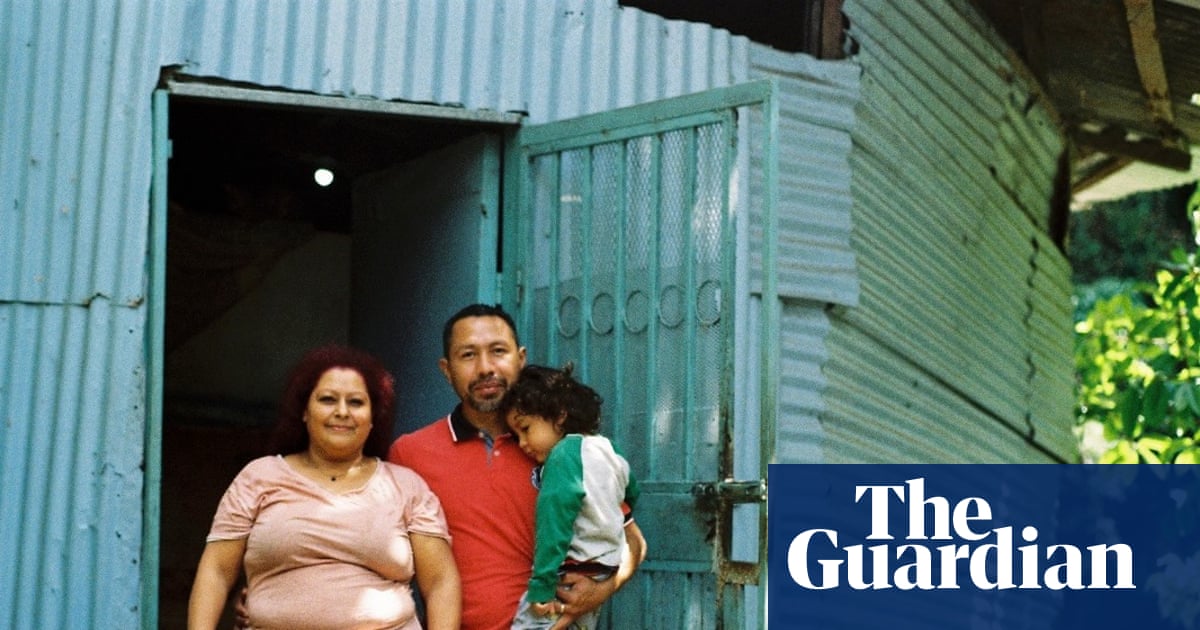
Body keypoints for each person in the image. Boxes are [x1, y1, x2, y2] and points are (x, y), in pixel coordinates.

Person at [388, 304, 646, 630]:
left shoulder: (560, 449)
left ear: (520, 359)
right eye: (468, 355)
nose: (485, 368)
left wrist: (603, 588)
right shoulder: (410, 454)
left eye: (498, 351)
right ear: (446, 369)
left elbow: (633, 540)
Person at [189, 344, 461, 630]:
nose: (342, 412)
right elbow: (216, 572)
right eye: (328, 399)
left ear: (373, 417)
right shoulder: (259, 478)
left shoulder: (406, 487)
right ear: (304, 411)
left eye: (356, 402)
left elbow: (441, 582)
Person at [500, 364, 640, 630]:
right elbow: (631, 492)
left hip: (570, 572)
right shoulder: (609, 449)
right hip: (603, 570)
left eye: (526, 429)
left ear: (560, 415)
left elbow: (554, 527)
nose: (522, 443)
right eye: (516, 436)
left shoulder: (562, 457)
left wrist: (541, 586)